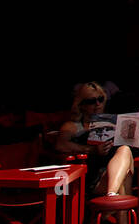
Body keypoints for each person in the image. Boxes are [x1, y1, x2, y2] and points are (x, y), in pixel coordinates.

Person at [56, 82, 134, 210]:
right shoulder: (73, 126)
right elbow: (60, 145)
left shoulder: (112, 122)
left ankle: (111, 195)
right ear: (81, 105)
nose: (98, 104)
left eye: (100, 99)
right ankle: (114, 200)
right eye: (91, 101)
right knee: (122, 179)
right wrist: (91, 150)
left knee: (124, 150)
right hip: (91, 176)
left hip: (112, 171)